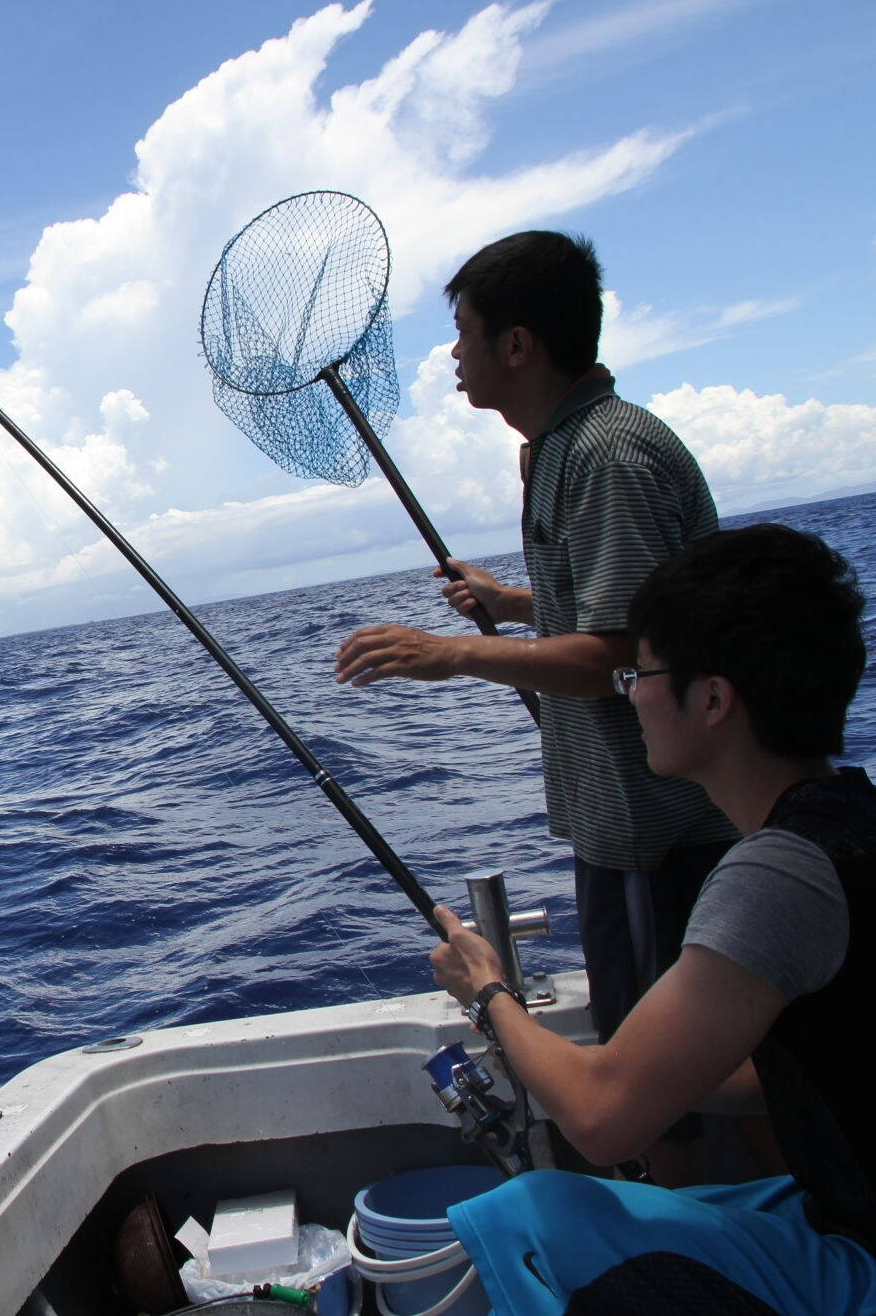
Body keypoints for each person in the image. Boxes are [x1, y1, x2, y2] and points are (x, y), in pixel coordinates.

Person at [428, 523, 876, 1313]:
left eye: (641, 672)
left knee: (528, 1218)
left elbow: (600, 1121)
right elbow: (816, 1067)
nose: (630, 692)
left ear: (712, 698)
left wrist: (487, 988)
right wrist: (655, 1074)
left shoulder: (781, 871)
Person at [335, 231, 735, 1174]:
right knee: (677, 1090)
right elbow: (618, 605)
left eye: (466, 331)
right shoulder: (562, 448)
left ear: (518, 345)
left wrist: (455, 653)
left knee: (676, 1102)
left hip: (663, 836)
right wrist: (513, 603)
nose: (454, 352)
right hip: (626, 832)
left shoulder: (605, 455)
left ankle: (715, 1237)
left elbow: (622, 657)